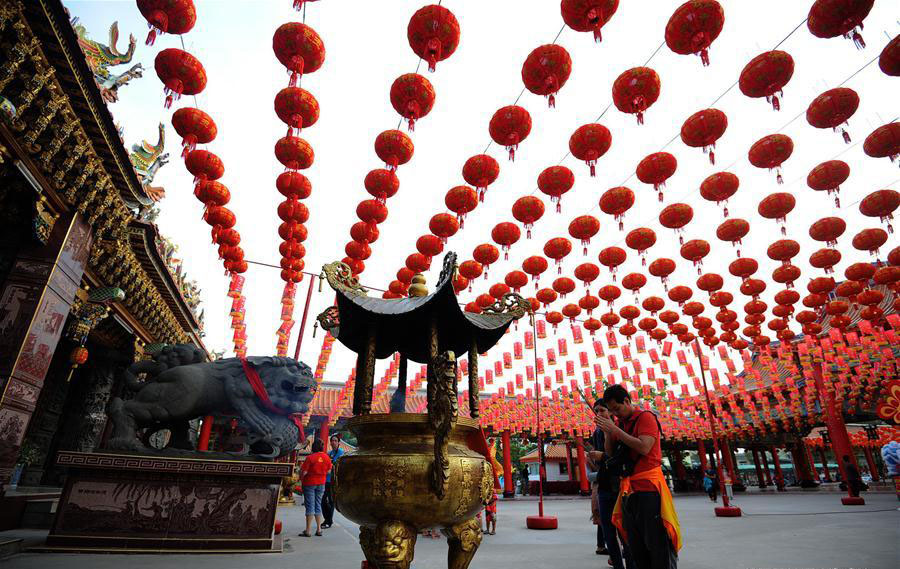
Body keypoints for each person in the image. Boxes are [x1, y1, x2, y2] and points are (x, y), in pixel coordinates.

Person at [598, 385, 682, 569]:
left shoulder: (646, 417)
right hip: (629, 489)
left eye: (617, 409)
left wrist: (615, 430)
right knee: (635, 545)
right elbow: (611, 454)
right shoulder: (620, 424)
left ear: (627, 401)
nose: (615, 414)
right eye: (611, 411)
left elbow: (644, 447)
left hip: (648, 489)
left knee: (656, 543)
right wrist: (607, 432)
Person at [588, 398, 632, 569]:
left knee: (624, 530)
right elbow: (601, 463)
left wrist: (603, 456)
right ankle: (616, 563)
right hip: (604, 484)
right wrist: (594, 458)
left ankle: (631, 563)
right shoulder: (597, 433)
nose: (598, 414)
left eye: (602, 410)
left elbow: (622, 458)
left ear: (611, 413)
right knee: (607, 529)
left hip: (622, 485)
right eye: (596, 411)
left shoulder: (621, 429)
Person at [299, 438, 332, 537]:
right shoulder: (326, 457)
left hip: (309, 483)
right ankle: (318, 529)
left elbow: (304, 472)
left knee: (309, 505)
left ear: (313, 447)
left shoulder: (310, 458)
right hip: (321, 483)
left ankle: (308, 530)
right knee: (318, 505)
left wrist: (301, 477)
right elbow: (329, 471)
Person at [320, 434, 344, 529]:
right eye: (332, 441)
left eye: (335, 441)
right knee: (322, 501)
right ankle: (327, 519)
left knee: (331, 500)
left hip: (333, 480)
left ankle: (328, 521)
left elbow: (338, 466)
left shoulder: (341, 453)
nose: (333, 442)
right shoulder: (329, 453)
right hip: (326, 480)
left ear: (338, 443)